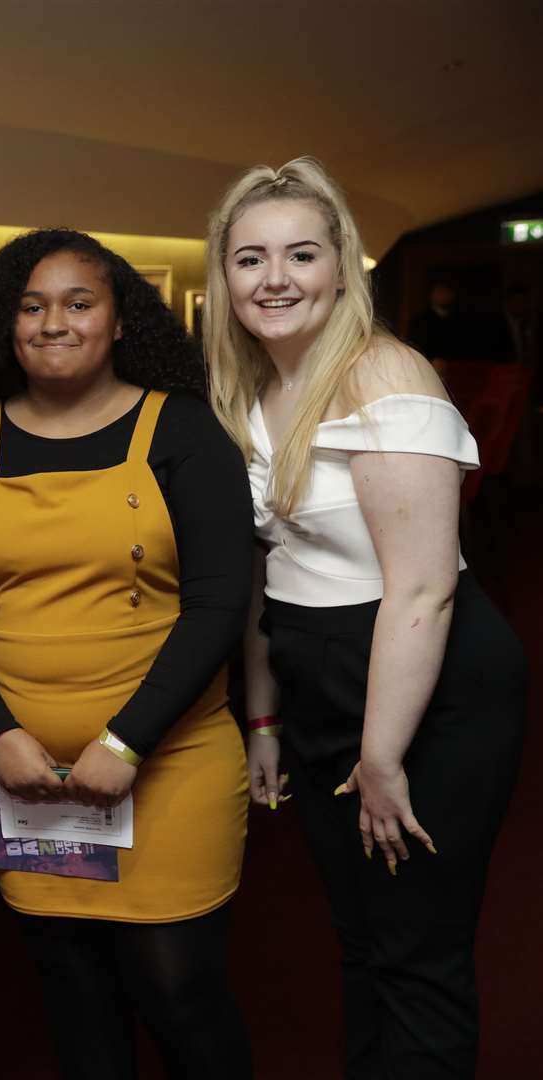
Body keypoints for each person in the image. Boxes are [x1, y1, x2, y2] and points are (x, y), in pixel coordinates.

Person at [205, 157, 527, 1079]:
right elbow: (275, 569)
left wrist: (381, 758)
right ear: (223, 277)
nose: (275, 278)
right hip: (315, 677)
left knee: (417, 953)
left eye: (301, 254)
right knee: (361, 939)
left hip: (423, 682)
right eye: (250, 258)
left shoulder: (384, 371)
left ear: (344, 265)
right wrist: (263, 715)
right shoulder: (255, 390)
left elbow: (423, 588)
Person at [0, 229, 255, 1078]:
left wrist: (125, 742)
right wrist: (0, 737)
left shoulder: (184, 433)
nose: (52, 322)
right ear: (3, 321)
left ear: (121, 321)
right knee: (72, 988)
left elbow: (217, 606)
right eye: (30, 306)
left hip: (166, 762)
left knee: (180, 995)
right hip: (24, 776)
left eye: (77, 302)